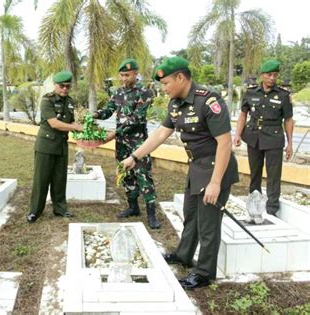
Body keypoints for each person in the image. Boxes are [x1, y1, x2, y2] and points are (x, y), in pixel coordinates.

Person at [122, 56, 239, 289]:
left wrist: (216, 183)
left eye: (165, 84)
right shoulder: (175, 104)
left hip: (216, 168)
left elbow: (225, 143)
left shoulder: (209, 100)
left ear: (180, 78)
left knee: (208, 224)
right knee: (191, 216)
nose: (163, 89)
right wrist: (135, 156)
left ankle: (204, 273)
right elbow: (159, 134)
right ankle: (184, 255)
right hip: (196, 168)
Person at [92, 58, 160, 229]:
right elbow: (108, 110)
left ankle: (152, 214)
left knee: (143, 176)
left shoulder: (145, 92)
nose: (123, 78)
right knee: (126, 175)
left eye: (127, 75)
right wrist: (94, 115)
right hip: (122, 143)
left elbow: (136, 119)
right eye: (121, 75)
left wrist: (114, 133)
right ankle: (133, 207)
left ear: (136, 74)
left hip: (138, 143)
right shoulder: (118, 92)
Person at [234, 60, 293, 215]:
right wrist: (238, 134)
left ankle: (272, 209)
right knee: (255, 173)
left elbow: (288, 120)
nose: (272, 78)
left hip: (274, 137)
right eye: (269, 74)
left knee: (274, 175)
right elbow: (243, 114)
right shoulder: (251, 92)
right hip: (253, 136)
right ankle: (255, 206)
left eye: (275, 75)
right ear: (262, 75)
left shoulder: (283, 95)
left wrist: (290, 144)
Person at [27, 71, 83, 223]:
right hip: (46, 145)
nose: (65, 89)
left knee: (60, 179)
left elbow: (71, 122)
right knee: (41, 179)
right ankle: (35, 211)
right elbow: (54, 123)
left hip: (61, 146)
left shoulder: (70, 102)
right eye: (61, 86)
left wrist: (82, 129)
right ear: (55, 85)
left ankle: (60, 208)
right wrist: (76, 128)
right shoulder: (47, 100)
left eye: (67, 86)